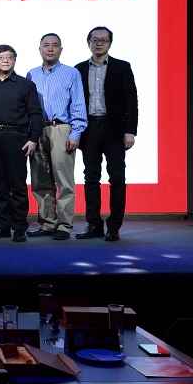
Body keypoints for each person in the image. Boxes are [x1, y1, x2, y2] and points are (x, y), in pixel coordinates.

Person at [74, 27, 138, 242]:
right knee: (91, 178)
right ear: (88, 43)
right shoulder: (79, 69)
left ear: (110, 43)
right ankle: (94, 224)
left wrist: (130, 131)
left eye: (104, 40)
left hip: (115, 130)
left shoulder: (122, 67)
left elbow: (132, 102)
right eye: (95, 40)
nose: (99, 43)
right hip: (89, 128)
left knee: (117, 178)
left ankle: (114, 226)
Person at [26, 33, 88, 240]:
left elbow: (78, 104)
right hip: (37, 130)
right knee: (40, 179)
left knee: (63, 180)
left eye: (55, 45)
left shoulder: (71, 73)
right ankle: (47, 223)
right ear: (40, 49)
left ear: (61, 49)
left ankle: (64, 225)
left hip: (61, 128)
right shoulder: (31, 74)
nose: (50, 49)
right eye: (46, 45)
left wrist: (76, 133)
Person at [0, 45, 43, 243]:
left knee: (17, 185)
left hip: (17, 137)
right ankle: (2, 226)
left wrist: (33, 139)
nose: (5, 60)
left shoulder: (26, 85)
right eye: (0, 57)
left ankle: (19, 228)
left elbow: (36, 114)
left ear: (15, 60)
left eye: (9, 57)